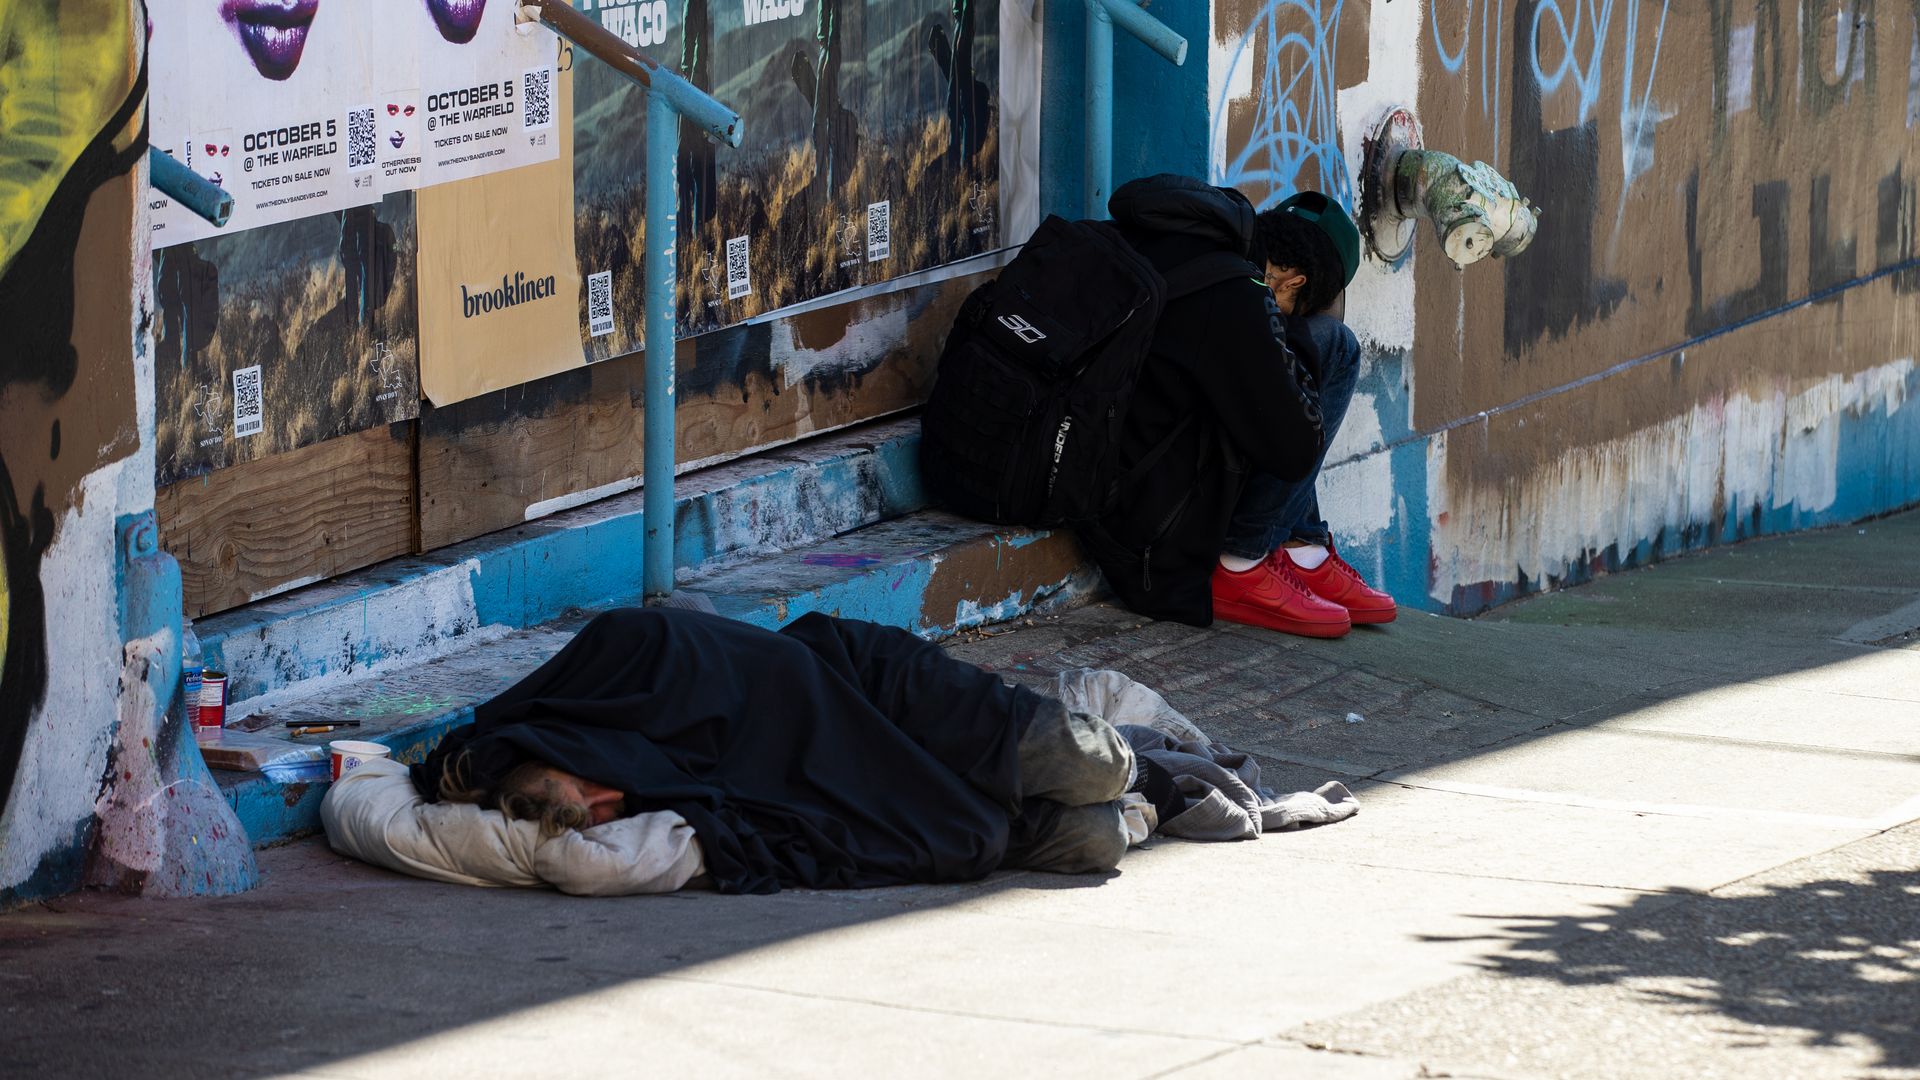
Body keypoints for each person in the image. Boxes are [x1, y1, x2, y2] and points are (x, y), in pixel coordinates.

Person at [405, 608, 1166, 893]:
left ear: (558, 746)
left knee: (1092, 765)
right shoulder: (649, 780)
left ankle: (1145, 764)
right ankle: (1139, 802)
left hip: (874, 691)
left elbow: (766, 680)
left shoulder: (626, 657)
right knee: (1092, 840)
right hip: (889, 789)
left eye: (591, 797)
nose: (611, 810)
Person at [1077, 175, 1396, 639]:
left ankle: (1302, 546)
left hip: (1117, 454)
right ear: (1295, 281)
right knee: (1336, 348)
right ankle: (1244, 561)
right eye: (1296, 307)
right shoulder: (1238, 298)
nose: (1289, 319)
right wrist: (1297, 343)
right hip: (1148, 512)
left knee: (1281, 386)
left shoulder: (1193, 246)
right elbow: (1293, 448)